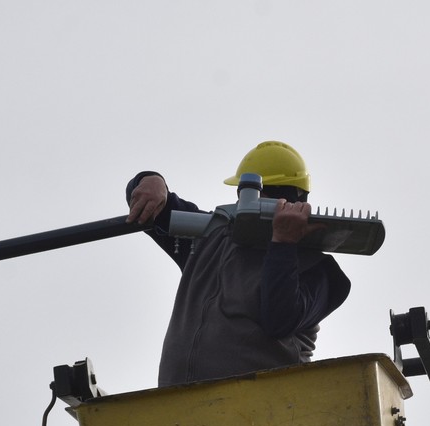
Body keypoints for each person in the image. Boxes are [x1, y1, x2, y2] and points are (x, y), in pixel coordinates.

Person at [125, 141, 352, 386]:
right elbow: (152, 206)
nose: (243, 204)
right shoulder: (210, 237)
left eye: (255, 195)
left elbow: (279, 320)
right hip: (178, 408)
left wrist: (283, 244)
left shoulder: (316, 269)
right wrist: (151, 181)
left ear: (286, 200)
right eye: (242, 194)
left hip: (263, 413)